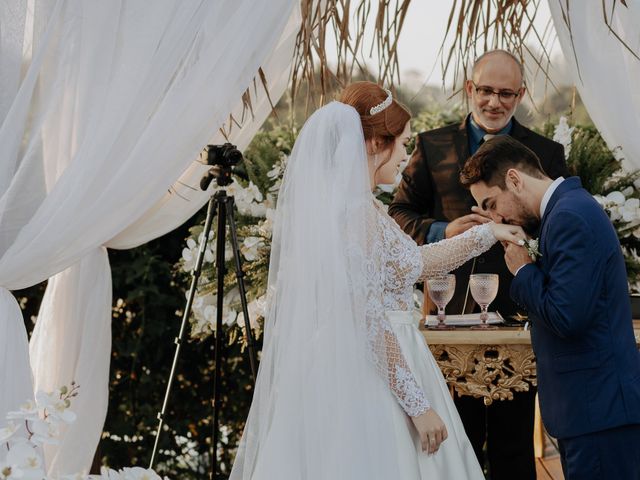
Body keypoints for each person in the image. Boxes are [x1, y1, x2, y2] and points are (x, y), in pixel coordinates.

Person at [229, 82, 526, 480]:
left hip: (384, 354)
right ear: (373, 143)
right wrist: (417, 406)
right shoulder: (355, 214)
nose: (406, 154)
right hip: (370, 368)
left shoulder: (364, 207)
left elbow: (415, 264)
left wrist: (487, 234)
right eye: (402, 143)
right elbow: (366, 315)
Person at [388, 49, 568, 479]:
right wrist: (444, 232)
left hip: (517, 315)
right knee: (453, 439)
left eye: (506, 93)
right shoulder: (430, 146)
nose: (494, 102)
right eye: (486, 90)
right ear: (470, 88)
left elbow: (558, 228)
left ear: (520, 95)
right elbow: (398, 213)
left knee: (514, 443)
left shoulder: (546, 151)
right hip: (448, 316)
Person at [460, 135, 640, 480]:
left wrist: (523, 270)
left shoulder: (570, 216)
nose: (495, 216)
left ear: (514, 179)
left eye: (492, 203)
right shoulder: (564, 211)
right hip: (591, 410)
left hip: (598, 410)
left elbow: (568, 317)